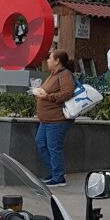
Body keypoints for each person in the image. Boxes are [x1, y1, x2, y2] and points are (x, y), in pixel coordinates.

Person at [31, 50, 78, 187]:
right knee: (41, 143)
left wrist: (47, 96)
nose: (47, 61)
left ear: (57, 61)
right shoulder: (53, 75)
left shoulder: (65, 74)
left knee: (54, 147)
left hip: (57, 120)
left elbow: (67, 93)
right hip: (46, 119)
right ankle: (54, 172)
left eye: (50, 58)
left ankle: (58, 177)